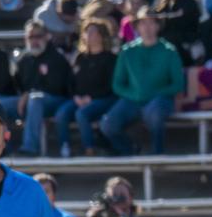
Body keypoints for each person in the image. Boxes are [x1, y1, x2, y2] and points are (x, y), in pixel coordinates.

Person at [100, 8, 183, 156]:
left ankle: (158, 153)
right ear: (137, 27)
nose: (147, 27)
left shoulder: (169, 51)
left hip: (159, 100)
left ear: (158, 26)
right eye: (143, 23)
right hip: (132, 101)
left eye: (151, 23)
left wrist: (156, 93)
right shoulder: (127, 51)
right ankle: (130, 150)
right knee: (107, 125)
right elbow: (117, 84)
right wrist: (134, 94)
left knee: (154, 113)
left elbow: (178, 84)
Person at [16, 19, 73, 155]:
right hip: (28, 101)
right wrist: (24, 94)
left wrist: (28, 94)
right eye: (31, 37)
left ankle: (30, 147)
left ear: (46, 36)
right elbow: (16, 84)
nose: (34, 40)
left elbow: (57, 88)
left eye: (38, 36)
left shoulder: (57, 57)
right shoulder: (24, 59)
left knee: (35, 98)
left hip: (56, 101)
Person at [70, 16, 120, 154]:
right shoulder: (79, 58)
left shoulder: (111, 59)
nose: (88, 35)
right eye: (86, 32)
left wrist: (90, 99)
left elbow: (111, 87)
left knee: (81, 114)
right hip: (80, 99)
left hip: (105, 99)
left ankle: (89, 149)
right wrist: (75, 97)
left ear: (101, 36)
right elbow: (71, 82)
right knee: (62, 113)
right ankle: (65, 148)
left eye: (93, 32)